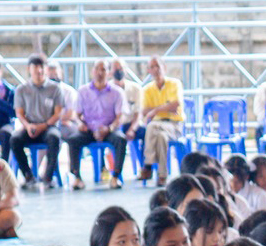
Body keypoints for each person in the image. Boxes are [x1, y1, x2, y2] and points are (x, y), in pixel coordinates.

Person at [64, 59, 125, 191]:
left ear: (108, 73)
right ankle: (77, 177)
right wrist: (80, 124)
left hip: (108, 129)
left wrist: (109, 128)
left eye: (103, 69)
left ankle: (115, 176)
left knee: (121, 139)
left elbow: (120, 116)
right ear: (92, 71)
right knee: (73, 139)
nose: (99, 73)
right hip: (89, 129)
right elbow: (77, 115)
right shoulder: (83, 91)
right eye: (97, 69)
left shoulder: (117, 92)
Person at [10, 54, 67, 191]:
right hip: (29, 126)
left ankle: (48, 177)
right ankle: (28, 176)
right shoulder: (22, 89)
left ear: (46, 69)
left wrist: (44, 125)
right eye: (35, 67)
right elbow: (19, 113)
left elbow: (58, 113)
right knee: (15, 139)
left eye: (41, 67)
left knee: (54, 137)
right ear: (29, 69)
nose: (39, 70)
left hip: (48, 126)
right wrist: (27, 125)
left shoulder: (55, 88)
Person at [139, 57, 185, 186]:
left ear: (164, 67)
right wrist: (165, 107)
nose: (156, 70)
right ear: (149, 70)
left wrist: (154, 111)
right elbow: (144, 111)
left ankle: (147, 165)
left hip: (174, 125)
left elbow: (175, 104)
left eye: (157, 66)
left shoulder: (175, 84)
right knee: (160, 137)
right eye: (152, 67)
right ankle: (162, 175)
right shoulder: (147, 89)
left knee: (152, 126)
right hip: (158, 128)